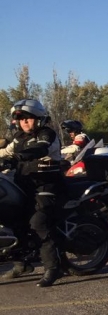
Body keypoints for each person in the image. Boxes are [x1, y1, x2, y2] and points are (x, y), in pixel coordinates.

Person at [0, 99, 65, 286]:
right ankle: (22, 263)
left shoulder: (47, 134)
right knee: (12, 219)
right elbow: (5, 152)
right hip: (23, 184)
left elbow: (40, 149)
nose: (25, 122)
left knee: (38, 223)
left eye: (29, 118)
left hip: (46, 186)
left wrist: (17, 157)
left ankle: (54, 268)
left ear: (39, 119)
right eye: (21, 119)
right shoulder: (19, 137)